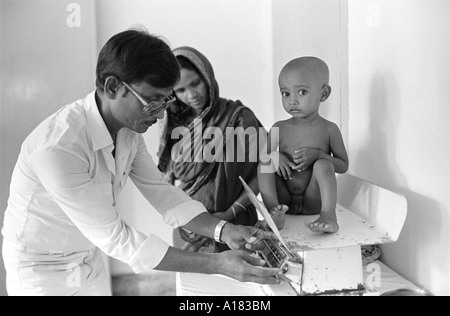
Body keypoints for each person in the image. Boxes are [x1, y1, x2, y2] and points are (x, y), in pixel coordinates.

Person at [1, 29, 282, 296]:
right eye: (152, 101)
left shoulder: (127, 129)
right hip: (42, 270)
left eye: (164, 101)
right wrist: (217, 265)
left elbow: (162, 191)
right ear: (113, 87)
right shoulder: (58, 148)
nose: (161, 115)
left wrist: (225, 231)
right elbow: (117, 238)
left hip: (88, 255)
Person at [158, 47, 264, 253]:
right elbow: (168, 179)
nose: (191, 95)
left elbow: (264, 171)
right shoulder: (174, 124)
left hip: (236, 225)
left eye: (195, 83)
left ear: (207, 77)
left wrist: (230, 214)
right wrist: (184, 220)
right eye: (181, 90)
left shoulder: (239, 118)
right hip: (189, 228)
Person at [258, 57, 349, 233]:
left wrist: (319, 155)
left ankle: (328, 215)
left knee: (324, 164)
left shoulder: (329, 129)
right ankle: (273, 214)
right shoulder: (279, 127)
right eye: (286, 94)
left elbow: (343, 166)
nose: (292, 101)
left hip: (312, 200)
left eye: (301, 92)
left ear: (323, 94)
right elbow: (263, 160)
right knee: (266, 164)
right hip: (284, 199)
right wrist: (274, 156)